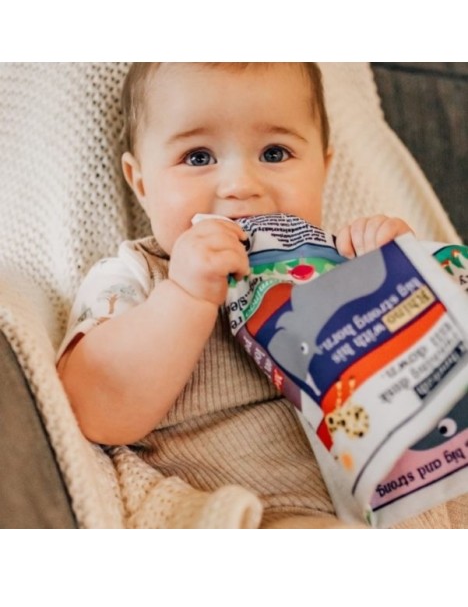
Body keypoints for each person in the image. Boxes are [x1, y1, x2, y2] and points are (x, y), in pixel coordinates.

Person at [57, 63, 412, 528]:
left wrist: (406, 277)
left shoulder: (342, 259)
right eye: (198, 157)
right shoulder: (136, 275)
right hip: (263, 510)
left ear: (323, 169)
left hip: (402, 489)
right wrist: (185, 296)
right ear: (141, 181)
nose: (241, 186)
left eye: (275, 153)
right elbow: (91, 408)